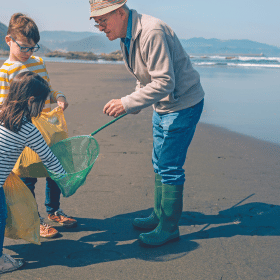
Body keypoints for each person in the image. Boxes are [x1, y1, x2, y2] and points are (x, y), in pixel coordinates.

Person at [89, 0, 205, 246]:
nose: (100, 27)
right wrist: (135, 102)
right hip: (163, 105)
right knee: (158, 161)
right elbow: (144, 77)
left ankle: (169, 228)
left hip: (183, 104)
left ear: (120, 13)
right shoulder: (126, 36)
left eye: (102, 20)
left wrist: (128, 102)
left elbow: (165, 82)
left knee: (169, 166)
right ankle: (159, 214)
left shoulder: (151, 31)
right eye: (96, 22)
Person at [0, 13, 77, 239]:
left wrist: (59, 96)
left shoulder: (39, 63)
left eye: (33, 48)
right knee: (28, 175)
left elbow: (47, 91)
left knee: (53, 168)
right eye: (24, 48)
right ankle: (36, 220)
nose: (28, 53)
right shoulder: (4, 72)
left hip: (47, 126)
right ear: (9, 41)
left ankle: (54, 210)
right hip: (22, 130)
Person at [0, 71, 67, 274]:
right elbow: (47, 157)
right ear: (31, 101)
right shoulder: (27, 127)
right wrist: (65, 177)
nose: (42, 107)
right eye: (41, 102)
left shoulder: (2, 113)